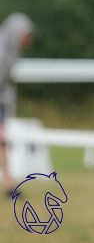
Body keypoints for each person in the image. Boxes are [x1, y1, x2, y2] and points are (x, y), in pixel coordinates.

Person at [0, 13, 33, 196]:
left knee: (2, 142)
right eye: (25, 35)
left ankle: (8, 185)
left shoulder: (12, 51)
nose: (28, 40)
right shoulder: (2, 50)